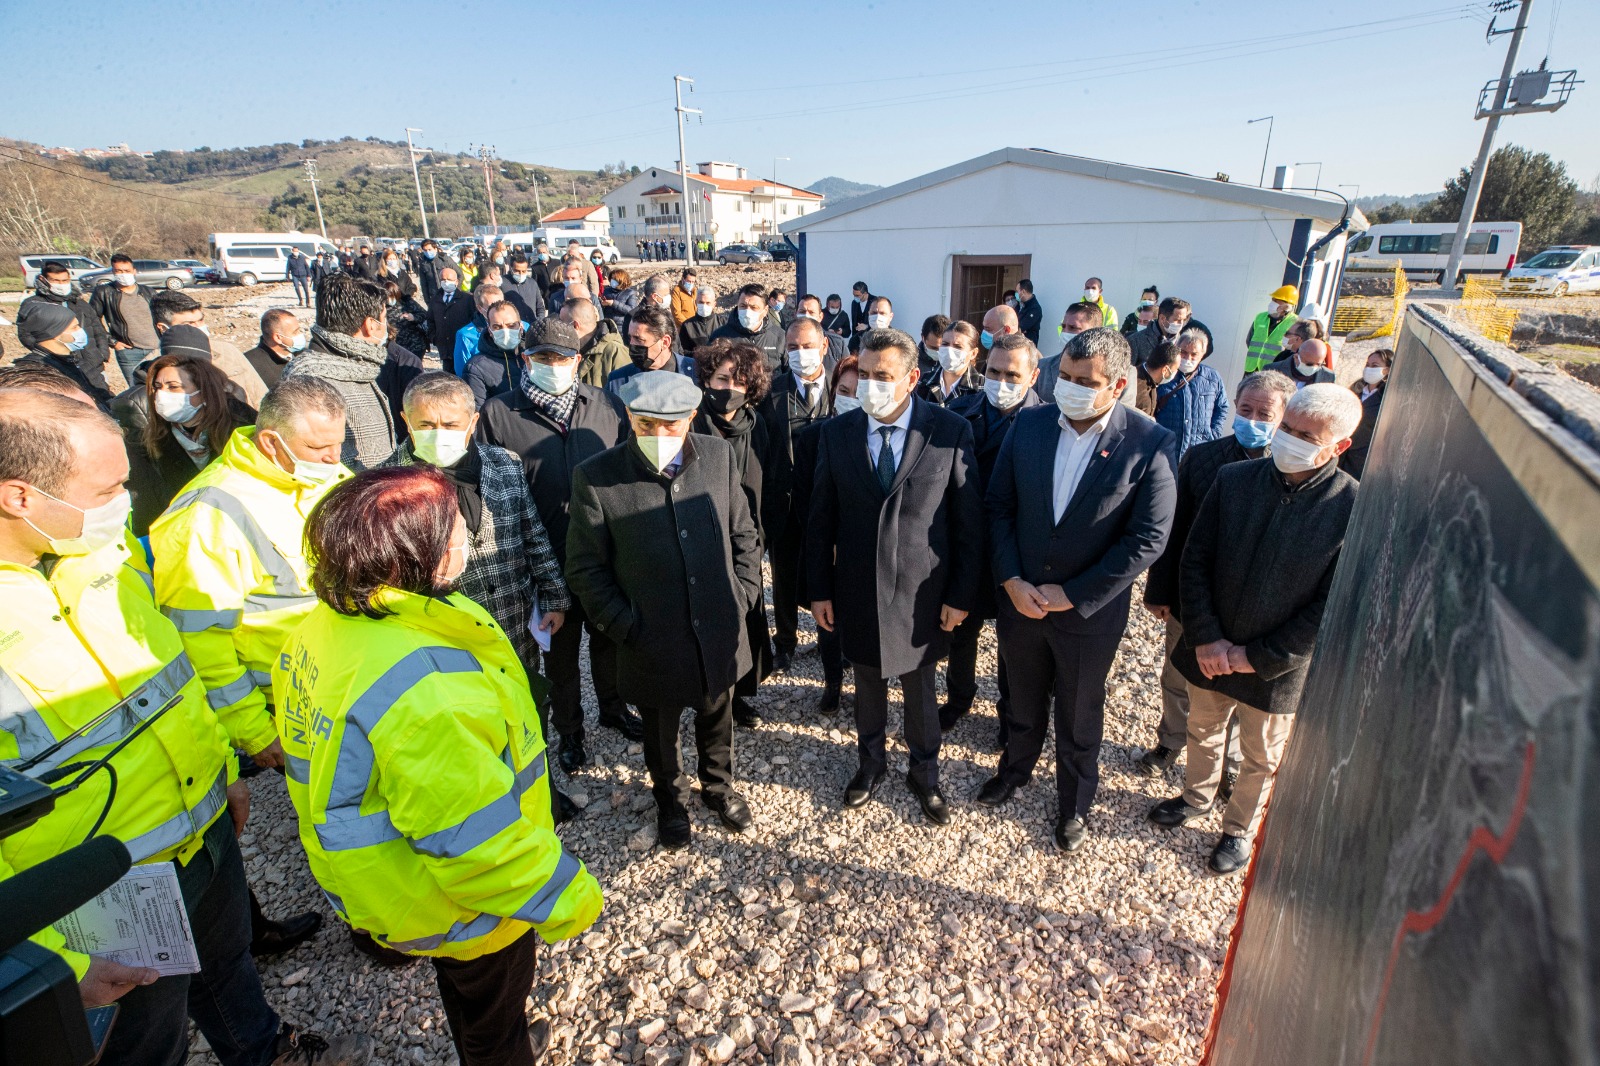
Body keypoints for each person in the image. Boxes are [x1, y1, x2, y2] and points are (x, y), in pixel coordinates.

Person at [0, 390, 372, 1066]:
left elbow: (174, 676)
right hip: (99, 899)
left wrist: (224, 772)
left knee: (226, 968)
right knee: (146, 1042)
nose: (127, 504)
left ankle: (266, 1051)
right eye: (107, 490)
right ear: (20, 497)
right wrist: (51, 961)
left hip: (202, 831)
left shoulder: (101, 558)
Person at [276, 466, 601, 1065]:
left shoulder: (321, 628)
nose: (465, 540)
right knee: (491, 1004)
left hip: (399, 883)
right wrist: (568, 895)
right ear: (414, 554)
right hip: (464, 901)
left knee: (469, 995)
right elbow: (474, 841)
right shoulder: (425, 688)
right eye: (453, 530)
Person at [1149, 383, 1362, 875]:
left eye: (1307, 436)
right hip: (1211, 649)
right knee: (1203, 729)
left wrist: (1258, 656)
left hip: (1274, 668)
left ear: (1340, 445)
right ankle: (1196, 797)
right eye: (1288, 428)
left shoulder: (1351, 507)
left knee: (1260, 754)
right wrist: (1206, 637)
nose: (1289, 440)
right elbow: (1194, 560)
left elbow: (1330, 604)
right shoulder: (1234, 479)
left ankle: (1238, 829)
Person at [979, 327, 1177, 853]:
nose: (1070, 388)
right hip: (1021, 601)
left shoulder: (1149, 442)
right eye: (1064, 376)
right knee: (1021, 696)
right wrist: (1011, 580)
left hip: (1088, 614)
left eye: (1085, 382)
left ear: (1117, 386)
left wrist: (1075, 594)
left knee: (1079, 711)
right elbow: (999, 507)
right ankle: (1015, 769)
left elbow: (1148, 538)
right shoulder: (1030, 424)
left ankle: (1074, 802)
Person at [566, 371, 762, 849]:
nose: (658, 435)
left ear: (691, 417)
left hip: (717, 625)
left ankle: (718, 787)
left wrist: (743, 594)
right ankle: (670, 801)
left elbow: (743, 531)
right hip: (650, 635)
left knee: (718, 713)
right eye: (646, 424)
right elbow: (585, 566)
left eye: (670, 425)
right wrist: (624, 624)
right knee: (660, 728)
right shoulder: (597, 475)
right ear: (629, 417)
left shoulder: (717, 455)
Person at [807, 327, 983, 826]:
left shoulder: (948, 431)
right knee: (866, 681)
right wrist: (819, 589)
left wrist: (960, 595)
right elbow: (820, 519)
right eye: (863, 373)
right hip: (858, 586)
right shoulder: (837, 433)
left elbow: (968, 523)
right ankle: (871, 764)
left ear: (911, 378)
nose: (869, 384)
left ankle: (925, 773)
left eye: (882, 376)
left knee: (920, 688)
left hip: (923, 592)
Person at [382, 372, 574, 800]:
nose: (439, 434)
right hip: (445, 637)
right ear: (406, 421)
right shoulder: (387, 484)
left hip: (512, 623)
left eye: (450, 424)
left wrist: (554, 595)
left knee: (527, 708)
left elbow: (532, 532)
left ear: (472, 423)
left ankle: (539, 792)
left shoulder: (504, 464)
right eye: (426, 424)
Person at [478, 317, 643, 771]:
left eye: (563, 358)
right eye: (544, 357)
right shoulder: (499, 414)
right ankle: (570, 731)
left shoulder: (606, 405)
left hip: (604, 558)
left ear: (578, 361)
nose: (553, 365)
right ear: (525, 360)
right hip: (544, 561)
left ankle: (613, 708)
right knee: (561, 657)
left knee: (608, 641)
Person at [1138, 370, 1295, 783]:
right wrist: (1159, 589)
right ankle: (1171, 740)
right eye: (1246, 409)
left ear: (1284, 417)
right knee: (1177, 674)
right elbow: (1175, 528)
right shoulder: (1202, 458)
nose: (1253, 420)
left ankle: (1229, 764)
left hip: (1256, 609)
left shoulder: (1292, 472)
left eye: (1265, 414)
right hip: (1194, 598)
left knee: (1242, 688)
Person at [941, 333, 1042, 737]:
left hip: (1016, 552)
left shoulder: (1046, 424)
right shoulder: (959, 412)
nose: (1001, 382)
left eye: (1012, 375)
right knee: (960, 629)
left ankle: (1009, 714)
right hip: (966, 543)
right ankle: (958, 698)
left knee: (1012, 641)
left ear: (1032, 376)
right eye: (994, 372)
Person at [759, 318, 835, 675]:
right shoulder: (770, 392)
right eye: (792, 347)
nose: (800, 353)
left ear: (824, 346)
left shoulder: (843, 387)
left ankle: (829, 639)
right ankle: (786, 642)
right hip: (785, 502)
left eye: (807, 346)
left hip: (829, 501)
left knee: (827, 572)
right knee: (784, 577)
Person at [126, 341, 257, 534]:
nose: (161, 395)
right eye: (157, 387)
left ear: (203, 392)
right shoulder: (153, 440)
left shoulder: (243, 427)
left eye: (173, 387)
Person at [790, 357, 859, 714]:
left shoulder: (880, 439)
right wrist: (825, 542)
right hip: (826, 547)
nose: (851, 398)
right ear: (833, 392)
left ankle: (865, 682)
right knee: (828, 618)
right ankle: (833, 683)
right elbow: (804, 497)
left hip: (863, 548)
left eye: (859, 392)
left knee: (862, 619)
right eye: (844, 390)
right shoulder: (813, 437)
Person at [283, 273, 395, 470]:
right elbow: (326, 464)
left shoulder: (353, 365)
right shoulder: (313, 383)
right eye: (384, 318)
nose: (386, 326)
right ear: (370, 325)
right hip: (361, 488)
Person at [150, 290, 269, 408]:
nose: (199, 327)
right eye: (189, 323)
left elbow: (260, 396)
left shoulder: (227, 351)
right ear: (163, 328)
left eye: (200, 320)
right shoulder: (151, 367)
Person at [17, 260, 111, 396]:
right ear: (43, 279)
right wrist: (53, 351)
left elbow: (98, 330)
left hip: (92, 364)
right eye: (56, 280)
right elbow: (26, 335)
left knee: (103, 397)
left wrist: (102, 354)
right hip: (61, 367)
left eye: (65, 280)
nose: (62, 284)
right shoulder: (35, 306)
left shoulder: (80, 303)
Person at [11, 296, 113, 404]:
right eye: (75, 327)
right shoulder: (37, 372)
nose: (81, 331)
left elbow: (104, 396)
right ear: (54, 333)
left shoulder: (77, 360)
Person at [1152, 327, 1231, 459]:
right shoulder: (1163, 374)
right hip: (1164, 450)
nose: (1188, 358)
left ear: (1202, 354)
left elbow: (1222, 407)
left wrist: (1213, 435)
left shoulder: (1212, 377)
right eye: (1183, 352)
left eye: (1194, 354)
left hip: (1198, 453)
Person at [89, 254, 162, 382]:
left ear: (134, 271)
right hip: (129, 352)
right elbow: (92, 318)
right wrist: (113, 342)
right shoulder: (104, 292)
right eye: (119, 271)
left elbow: (162, 315)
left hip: (156, 349)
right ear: (113, 272)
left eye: (127, 271)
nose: (123, 274)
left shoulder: (148, 292)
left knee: (159, 385)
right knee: (136, 389)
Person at [612, 305, 694, 396]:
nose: (632, 344)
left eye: (639, 339)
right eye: (630, 338)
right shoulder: (617, 380)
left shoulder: (697, 373)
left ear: (665, 342)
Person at [1034, 302, 1104, 401]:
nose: (1065, 332)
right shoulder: (1042, 367)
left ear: (1094, 332)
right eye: (1063, 327)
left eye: (1073, 328)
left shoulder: (1111, 372)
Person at [464, 299, 528, 407]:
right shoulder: (476, 368)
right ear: (489, 330)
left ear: (521, 326)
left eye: (511, 325)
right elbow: (479, 410)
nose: (505, 331)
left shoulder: (535, 356)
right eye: (497, 327)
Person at [1340, 348, 1391, 479]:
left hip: (1363, 462)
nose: (1369, 369)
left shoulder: (1388, 398)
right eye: (1367, 365)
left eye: (1375, 366)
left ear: (1387, 370)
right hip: (1341, 454)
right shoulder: (1355, 390)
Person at [564, 296, 630, 389]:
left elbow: (625, 393)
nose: (559, 329)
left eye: (562, 324)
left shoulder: (616, 352)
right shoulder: (568, 351)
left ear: (575, 325)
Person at [919, 320, 984, 407]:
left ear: (973, 353)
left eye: (958, 347)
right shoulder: (923, 381)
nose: (949, 351)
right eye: (945, 344)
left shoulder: (982, 387)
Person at [244, 308, 306, 388]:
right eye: (295, 332)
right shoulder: (249, 365)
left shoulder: (305, 355)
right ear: (278, 338)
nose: (300, 335)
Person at [454, 283, 507, 377]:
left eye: (501, 304)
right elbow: (462, 371)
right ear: (480, 308)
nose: (498, 309)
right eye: (492, 306)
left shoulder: (522, 327)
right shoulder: (465, 335)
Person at [1244, 284, 1300, 373]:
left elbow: (1293, 350)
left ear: (1287, 306)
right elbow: (1249, 341)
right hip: (1251, 368)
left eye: (1277, 301)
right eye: (1273, 299)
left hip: (1273, 371)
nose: (1272, 303)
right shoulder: (1260, 317)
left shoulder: (1294, 322)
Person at [432, 266, 475, 366]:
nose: (446, 282)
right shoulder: (435, 299)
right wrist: (435, 338)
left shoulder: (467, 299)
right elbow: (430, 320)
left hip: (463, 347)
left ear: (456, 281)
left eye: (449, 279)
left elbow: (473, 320)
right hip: (445, 350)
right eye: (443, 280)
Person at [796, 294, 849, 367]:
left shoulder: (838, 344)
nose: (806, 315)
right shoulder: (787, 340)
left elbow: (846, 369)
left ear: (820, 317)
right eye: (802, 312)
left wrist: (842, 331)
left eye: (811, 312)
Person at [384, 278, 431, 357]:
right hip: (396, 346)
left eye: (392, 296)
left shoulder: (406, 302)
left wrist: (414, 317)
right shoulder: (382, 308)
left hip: (415, 344)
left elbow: (424, 314)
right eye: (387, 297)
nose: (389, 299)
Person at [1266, 336, 1336, 388]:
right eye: (1309, 364)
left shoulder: (1328, 376)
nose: (1314, 368)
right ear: (1296, 357)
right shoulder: (1272, 370)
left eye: (1319, 364)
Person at [1135, 340, 1180, 417]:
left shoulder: (1152, 383)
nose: (1175, 373)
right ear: (1165, 370)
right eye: (1175, 369)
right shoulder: (1136, 385)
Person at [503, 251, 547, 325]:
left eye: (523, 271)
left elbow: (540, 307)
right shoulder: (502, 283)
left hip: (532, 325)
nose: (520, 274)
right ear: (511, 268)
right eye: (517, 271)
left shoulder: (532, 283)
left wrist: (539, 322)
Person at [680, 285, 725, 356]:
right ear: (696, 303)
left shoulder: (723, 323)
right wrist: (701, 354)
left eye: (708, 303)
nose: (704, 306)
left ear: (714, 304)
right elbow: (682, 351)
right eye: (701, 302)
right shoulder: (687, 326)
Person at [414, 238, 457, 308]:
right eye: (425, 250)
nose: (427, 252)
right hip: (435, 297)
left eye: (429, 249)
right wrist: (428, 301)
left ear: (435, 249)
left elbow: (460, 274)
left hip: (450, 295)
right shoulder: (423, 264)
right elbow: (424, 284)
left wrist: (457, 290)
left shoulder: (445, 260)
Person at [914, 314, 948, 379]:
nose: (938, 352)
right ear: (923, 338)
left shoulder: (955, 363)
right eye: (934, 348)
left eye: (943, 348)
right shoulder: (911, 362)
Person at [847, 282, 873, 351]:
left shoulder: (874, 301)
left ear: (865, 293)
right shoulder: (854, 303)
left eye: (857, 295)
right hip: (858, 339)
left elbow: (878, 321)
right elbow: (853, 322)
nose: (855, 297)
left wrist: (867, 326)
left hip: (871, 338)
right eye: (854, 295)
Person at [1015, 279, 1042, 343]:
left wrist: (1020, 329)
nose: (1016, 294)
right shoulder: (1020, 305)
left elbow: (1021, 327)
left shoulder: (1035, 308)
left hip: (1027, 345)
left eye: (1017, 291)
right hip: (1018, 342)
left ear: (1023, 291)